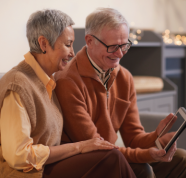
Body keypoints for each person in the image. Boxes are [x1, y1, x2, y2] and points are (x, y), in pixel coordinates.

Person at [55, 8, 186, 178]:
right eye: (113, 47)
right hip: (87, 161)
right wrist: (147, 155)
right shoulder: (68, 81)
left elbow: (134, 138)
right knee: (143, 169)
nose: (120, 54)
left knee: (183, 160)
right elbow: (98, 146)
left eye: (124, 45)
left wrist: (157, 137)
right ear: (90, 41)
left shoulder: (124, 77)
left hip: (112, 155)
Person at [0, 9, 136, 178]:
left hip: (49, 166)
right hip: (29, 174)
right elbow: (18, 156)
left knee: (117, 162)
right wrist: (79, 147)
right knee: (111, 159)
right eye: (67, 44)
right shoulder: (17, 85)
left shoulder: (47, 82)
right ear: (43, 44)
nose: (72, 53)